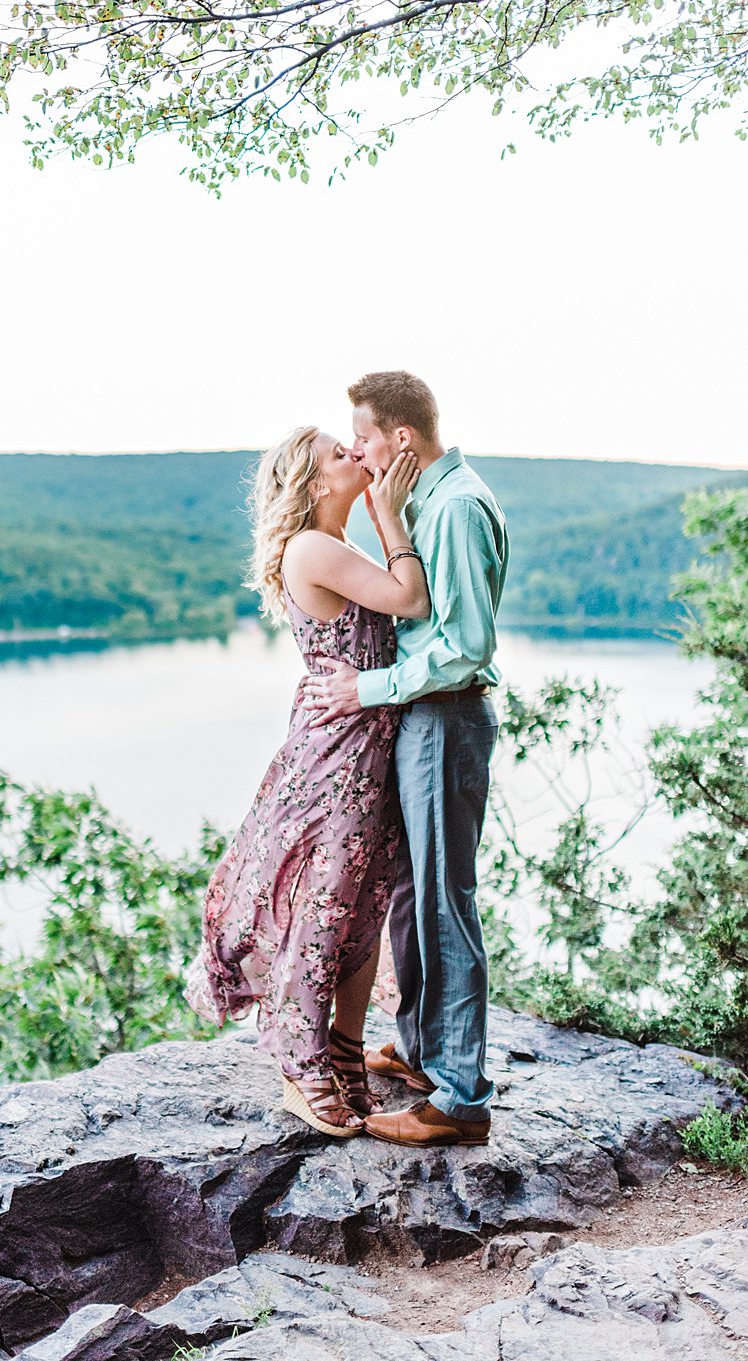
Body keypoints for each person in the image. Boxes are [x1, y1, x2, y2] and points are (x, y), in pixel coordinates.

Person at [185, 425, 430, 1136]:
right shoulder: (316, 548)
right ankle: (303, 1066)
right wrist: (391, 512)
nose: (354, 455)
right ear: (316, 485)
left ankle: (347, 1053)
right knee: (325, 911)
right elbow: (409, 598)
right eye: (337, 454)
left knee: (363, 904)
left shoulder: (335, 544)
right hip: (340, 755)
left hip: (368, 746)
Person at [302, 372, 509, 1149]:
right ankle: (424, 1054)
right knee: (408, 896)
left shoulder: (454, 507)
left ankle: (459, 1100)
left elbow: (465, 647)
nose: (355, 449)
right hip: (424, 721)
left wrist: (366, 688)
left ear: (401, 440)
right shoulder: (429, 499)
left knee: (442, 903)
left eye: (361, 436)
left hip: (446, 718)